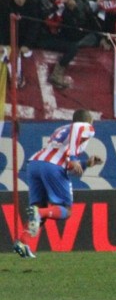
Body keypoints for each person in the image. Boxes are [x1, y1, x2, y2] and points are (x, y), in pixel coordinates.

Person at [14, 109, 103, 259]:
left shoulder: (60, 130)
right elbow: (78, 129)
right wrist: (75, 157)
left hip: (35, 164)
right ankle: (39, 214)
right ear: (89, 121)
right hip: (52, 166)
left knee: (38, 207)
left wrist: (86, 163)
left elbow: (66, 162)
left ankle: (23, 242)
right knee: (66, 210)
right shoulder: (84, 127)